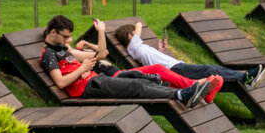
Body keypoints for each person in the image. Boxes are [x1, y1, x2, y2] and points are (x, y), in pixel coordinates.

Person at [40, 15, 217, 106]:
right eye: (65, 36)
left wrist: (99, 34)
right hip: (89, 86)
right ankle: (181, 95)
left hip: (95, 79)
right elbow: (61, 83)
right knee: (136, 86)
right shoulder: (49, 54)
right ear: (53, 32)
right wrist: (81, 69)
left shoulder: (62, 49)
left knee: (140, 79)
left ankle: (189, 89)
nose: (68, 40)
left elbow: (101, 54)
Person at [114, 23, 265, 91]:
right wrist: (136, 29)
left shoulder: (138, 48)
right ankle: (246, 77)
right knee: (211, 69)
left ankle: (246, 78)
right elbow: (139, 24)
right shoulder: (133, 46)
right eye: (134, 34)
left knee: (212, 70)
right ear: (130, 36)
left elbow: (152, 59)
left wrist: (160, 51)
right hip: (176, 69)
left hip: (176, 67)